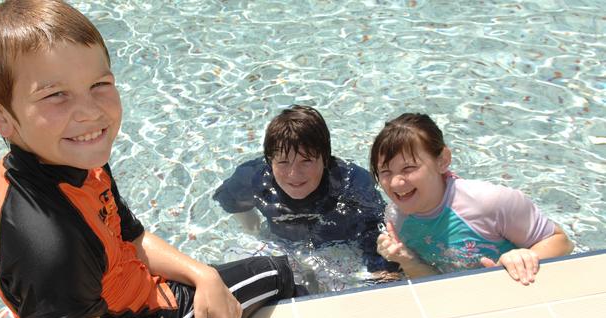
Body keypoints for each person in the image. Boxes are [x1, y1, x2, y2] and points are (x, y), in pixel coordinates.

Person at [0, 1, 297, 318]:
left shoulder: (71, 157)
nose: (90, 112)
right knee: (278, 272)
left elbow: (131, 240)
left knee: (228, 281)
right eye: (54, 94)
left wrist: (201, 274)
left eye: (99, 84)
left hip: (146, 302)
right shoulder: (49, 245)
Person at [370, 113, 574, 285]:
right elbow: (440, 283)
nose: (396, 183)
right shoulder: (396, 217)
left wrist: (524, 258)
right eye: (385, 172)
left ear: (442, 161)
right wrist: (408, 262)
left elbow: (562, 243)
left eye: (409, 168)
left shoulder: (489, 202)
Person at [213, 105, 399, 279]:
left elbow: (377, 233)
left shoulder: (352, 184)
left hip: (338, 250)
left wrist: (382, 272)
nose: (294, 174)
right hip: (281, 245)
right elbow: (228, 198)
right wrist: (250, 225)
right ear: (270, 161)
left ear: (325, 159)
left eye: (306, 161)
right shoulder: (255, 177)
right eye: (283, 162)